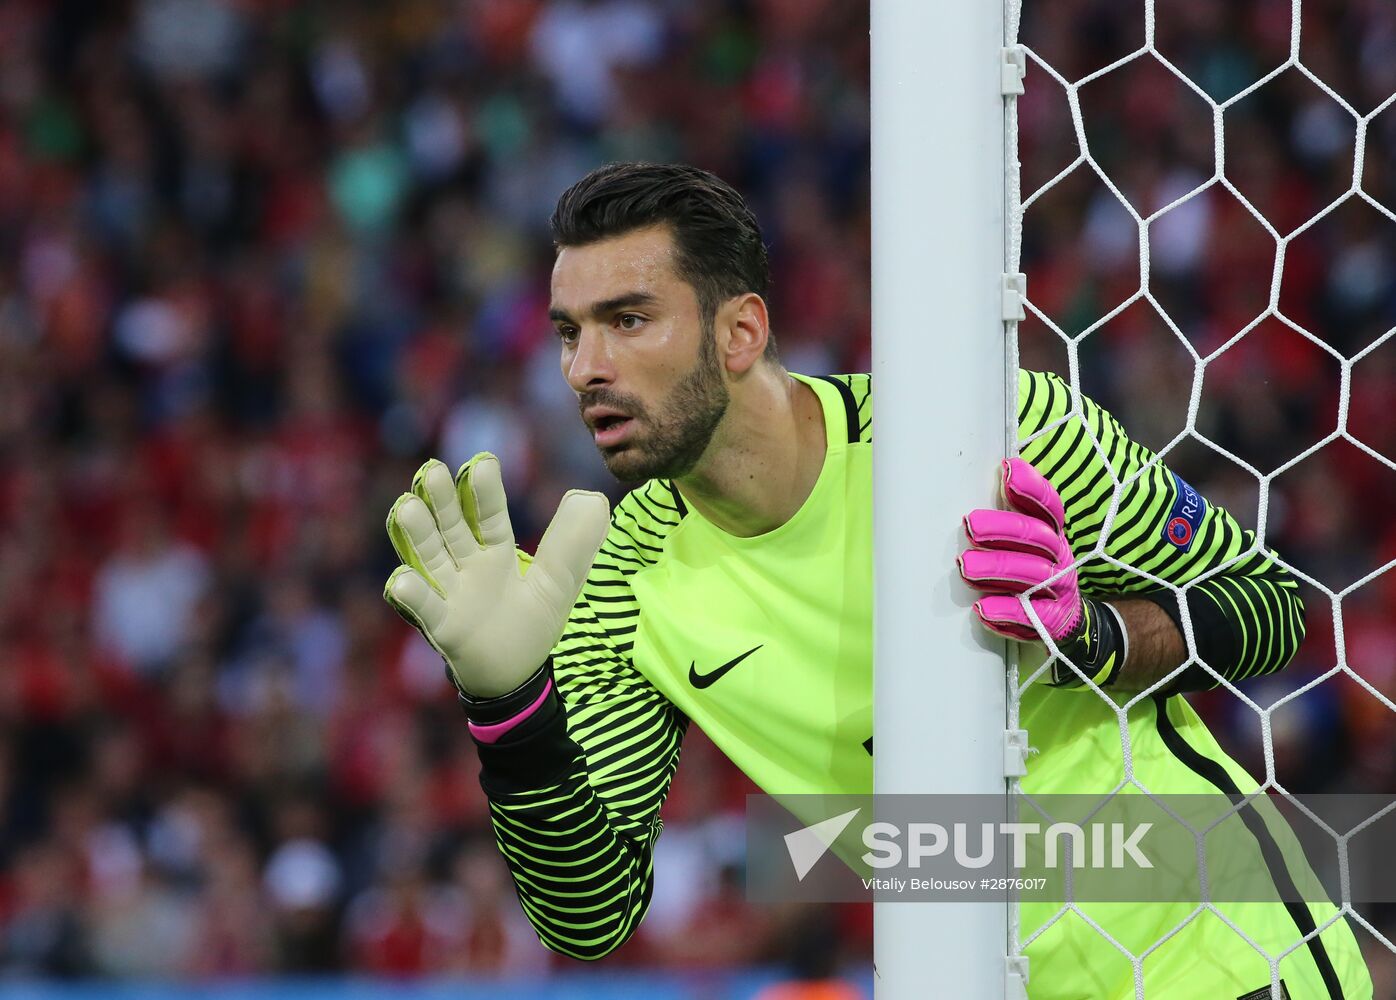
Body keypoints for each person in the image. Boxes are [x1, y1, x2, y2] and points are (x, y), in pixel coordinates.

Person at [382, 163, 1371, 998]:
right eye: (568, 331)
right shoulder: (621, 579)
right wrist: (509, 705)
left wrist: (1095, 635)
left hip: (1224, 958)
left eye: (627, 319)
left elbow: (1269, 607)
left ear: (740, 333)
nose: (583, 367)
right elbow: (588, 915)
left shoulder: (988, 428)